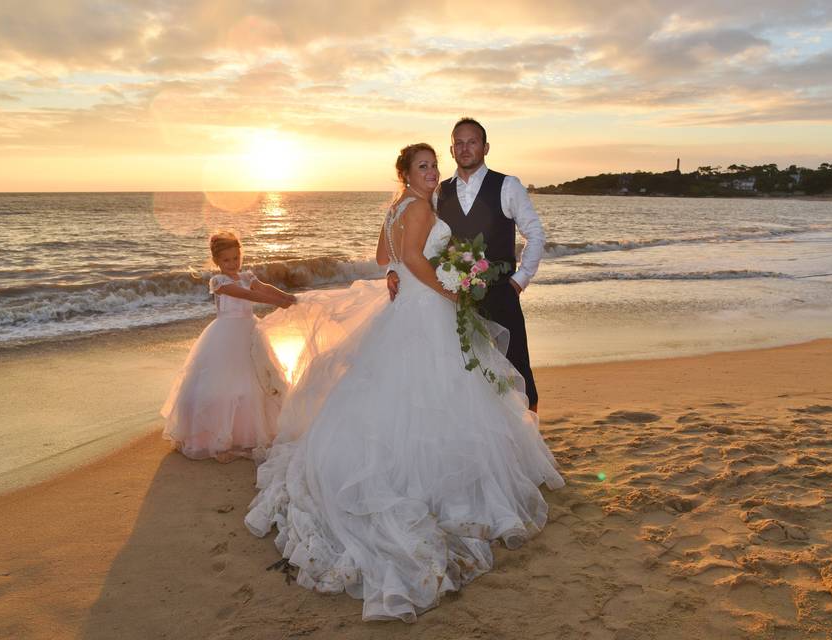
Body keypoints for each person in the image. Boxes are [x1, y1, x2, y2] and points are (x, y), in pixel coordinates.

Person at [245, 144, 563, 622]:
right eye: (424, 166)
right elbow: (413, 257)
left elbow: (383, 256)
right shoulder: (416, 208)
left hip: (404, 307)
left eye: (435, 164)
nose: (433, 172)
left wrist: (398, 274)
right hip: (427, 307)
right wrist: (449, 290)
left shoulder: (395, 207)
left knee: (403, 392)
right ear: (406, 174)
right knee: (437, 391)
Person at [387, 118, 545, 412]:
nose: (465, 148)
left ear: (485, 147)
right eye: (459, 143)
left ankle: (530, 443)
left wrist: (520, 279)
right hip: (454, 299)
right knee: (468, 378)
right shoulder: (438, 192)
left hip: (500, 293)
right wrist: (392, 271)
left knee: (518, 371)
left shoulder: (507, 185)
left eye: (472, 142)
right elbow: (414, 241)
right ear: (451, 149)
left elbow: (534, 233)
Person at [161, 231, 296, 462]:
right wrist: (277, 303)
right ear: (217, 262)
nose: (233, 263)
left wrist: (288, 297)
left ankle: (249, 433)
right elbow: (245, 295)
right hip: (225, 336)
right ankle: (218, 438)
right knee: (223, 381)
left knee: (253, 380)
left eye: (236, 258)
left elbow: (262, 288)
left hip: (250, 332)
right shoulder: (219, 282)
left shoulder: (247, 275)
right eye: (227, 260)